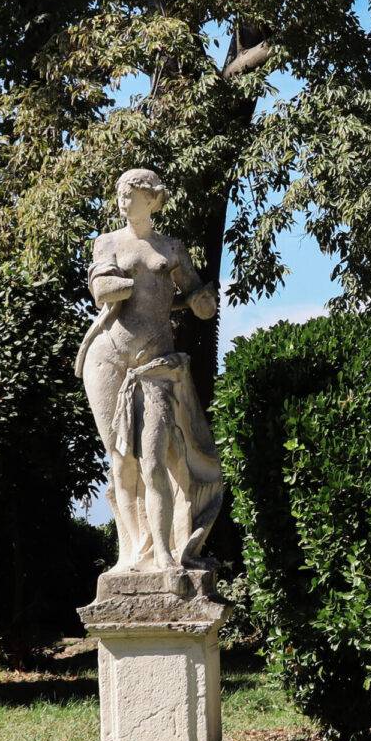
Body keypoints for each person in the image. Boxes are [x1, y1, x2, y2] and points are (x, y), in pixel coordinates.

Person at [76, 168, 222, 573]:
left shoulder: (172, 248)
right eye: (121, 195)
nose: (124, 201)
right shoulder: (106, 243)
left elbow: (198, 298)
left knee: (154, 459)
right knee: (121, 459)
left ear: (153, 199)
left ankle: (163, 552)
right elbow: (101, 289)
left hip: (156, 363)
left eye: (132, 195)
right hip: (108, 357)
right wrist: (115, 286)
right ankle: (130, 554)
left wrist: (200, 301)